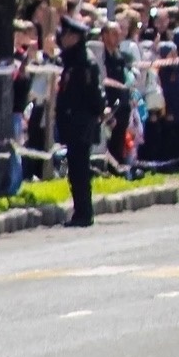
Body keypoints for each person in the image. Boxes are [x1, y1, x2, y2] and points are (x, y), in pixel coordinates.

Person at [53, 18, 103, 227]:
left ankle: (83, 213)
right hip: (73, 122)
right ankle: (81, 210)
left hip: (80, 123)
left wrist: (93, 115)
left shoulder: (83, 63)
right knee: (76, 169)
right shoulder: (73, 61)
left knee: (80, 170)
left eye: (66, 35)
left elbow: (93, 96)